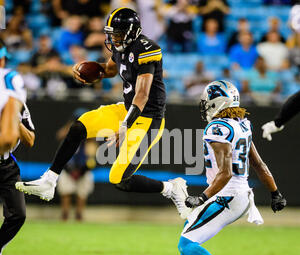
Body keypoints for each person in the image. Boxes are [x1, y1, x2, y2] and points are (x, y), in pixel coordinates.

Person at [15, 7, 192, 218]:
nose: (114, 39)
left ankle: (172, 188)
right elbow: (109, 70)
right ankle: (50, 180)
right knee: (79, 126)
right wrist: (91, 70)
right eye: (112, 34)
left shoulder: (146, 50)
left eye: (118, 34)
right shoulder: (120, 47)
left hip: (147, 118)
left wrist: (125, 125)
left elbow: (143, 95)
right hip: (127, 109)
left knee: (119, 179)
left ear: (131, 32)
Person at [160, 80, 286, 255]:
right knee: (188, 227)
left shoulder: (218, 128)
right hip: (239, 194)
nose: (205, 105)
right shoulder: (242, 123)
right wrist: (276, 193)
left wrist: (202, 197)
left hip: (226, 196)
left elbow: (225, 173)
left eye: (208, 101)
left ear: (218, 102)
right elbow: (258, 164)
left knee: (186, 243)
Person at [0, 41, 35, 255]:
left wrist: (15, 119)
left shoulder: (15, 100)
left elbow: (30, 139)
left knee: (18, 215)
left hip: (5, 164)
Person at [56, 109, 97, 221]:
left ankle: (79, 216)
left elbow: (92, 159)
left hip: (83, 170)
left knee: (81, 194)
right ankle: (64, 215)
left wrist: (80, 171)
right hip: (68, 169)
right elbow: (59, 136)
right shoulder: (68, 135)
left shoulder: (90, 137)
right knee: (65, 192)